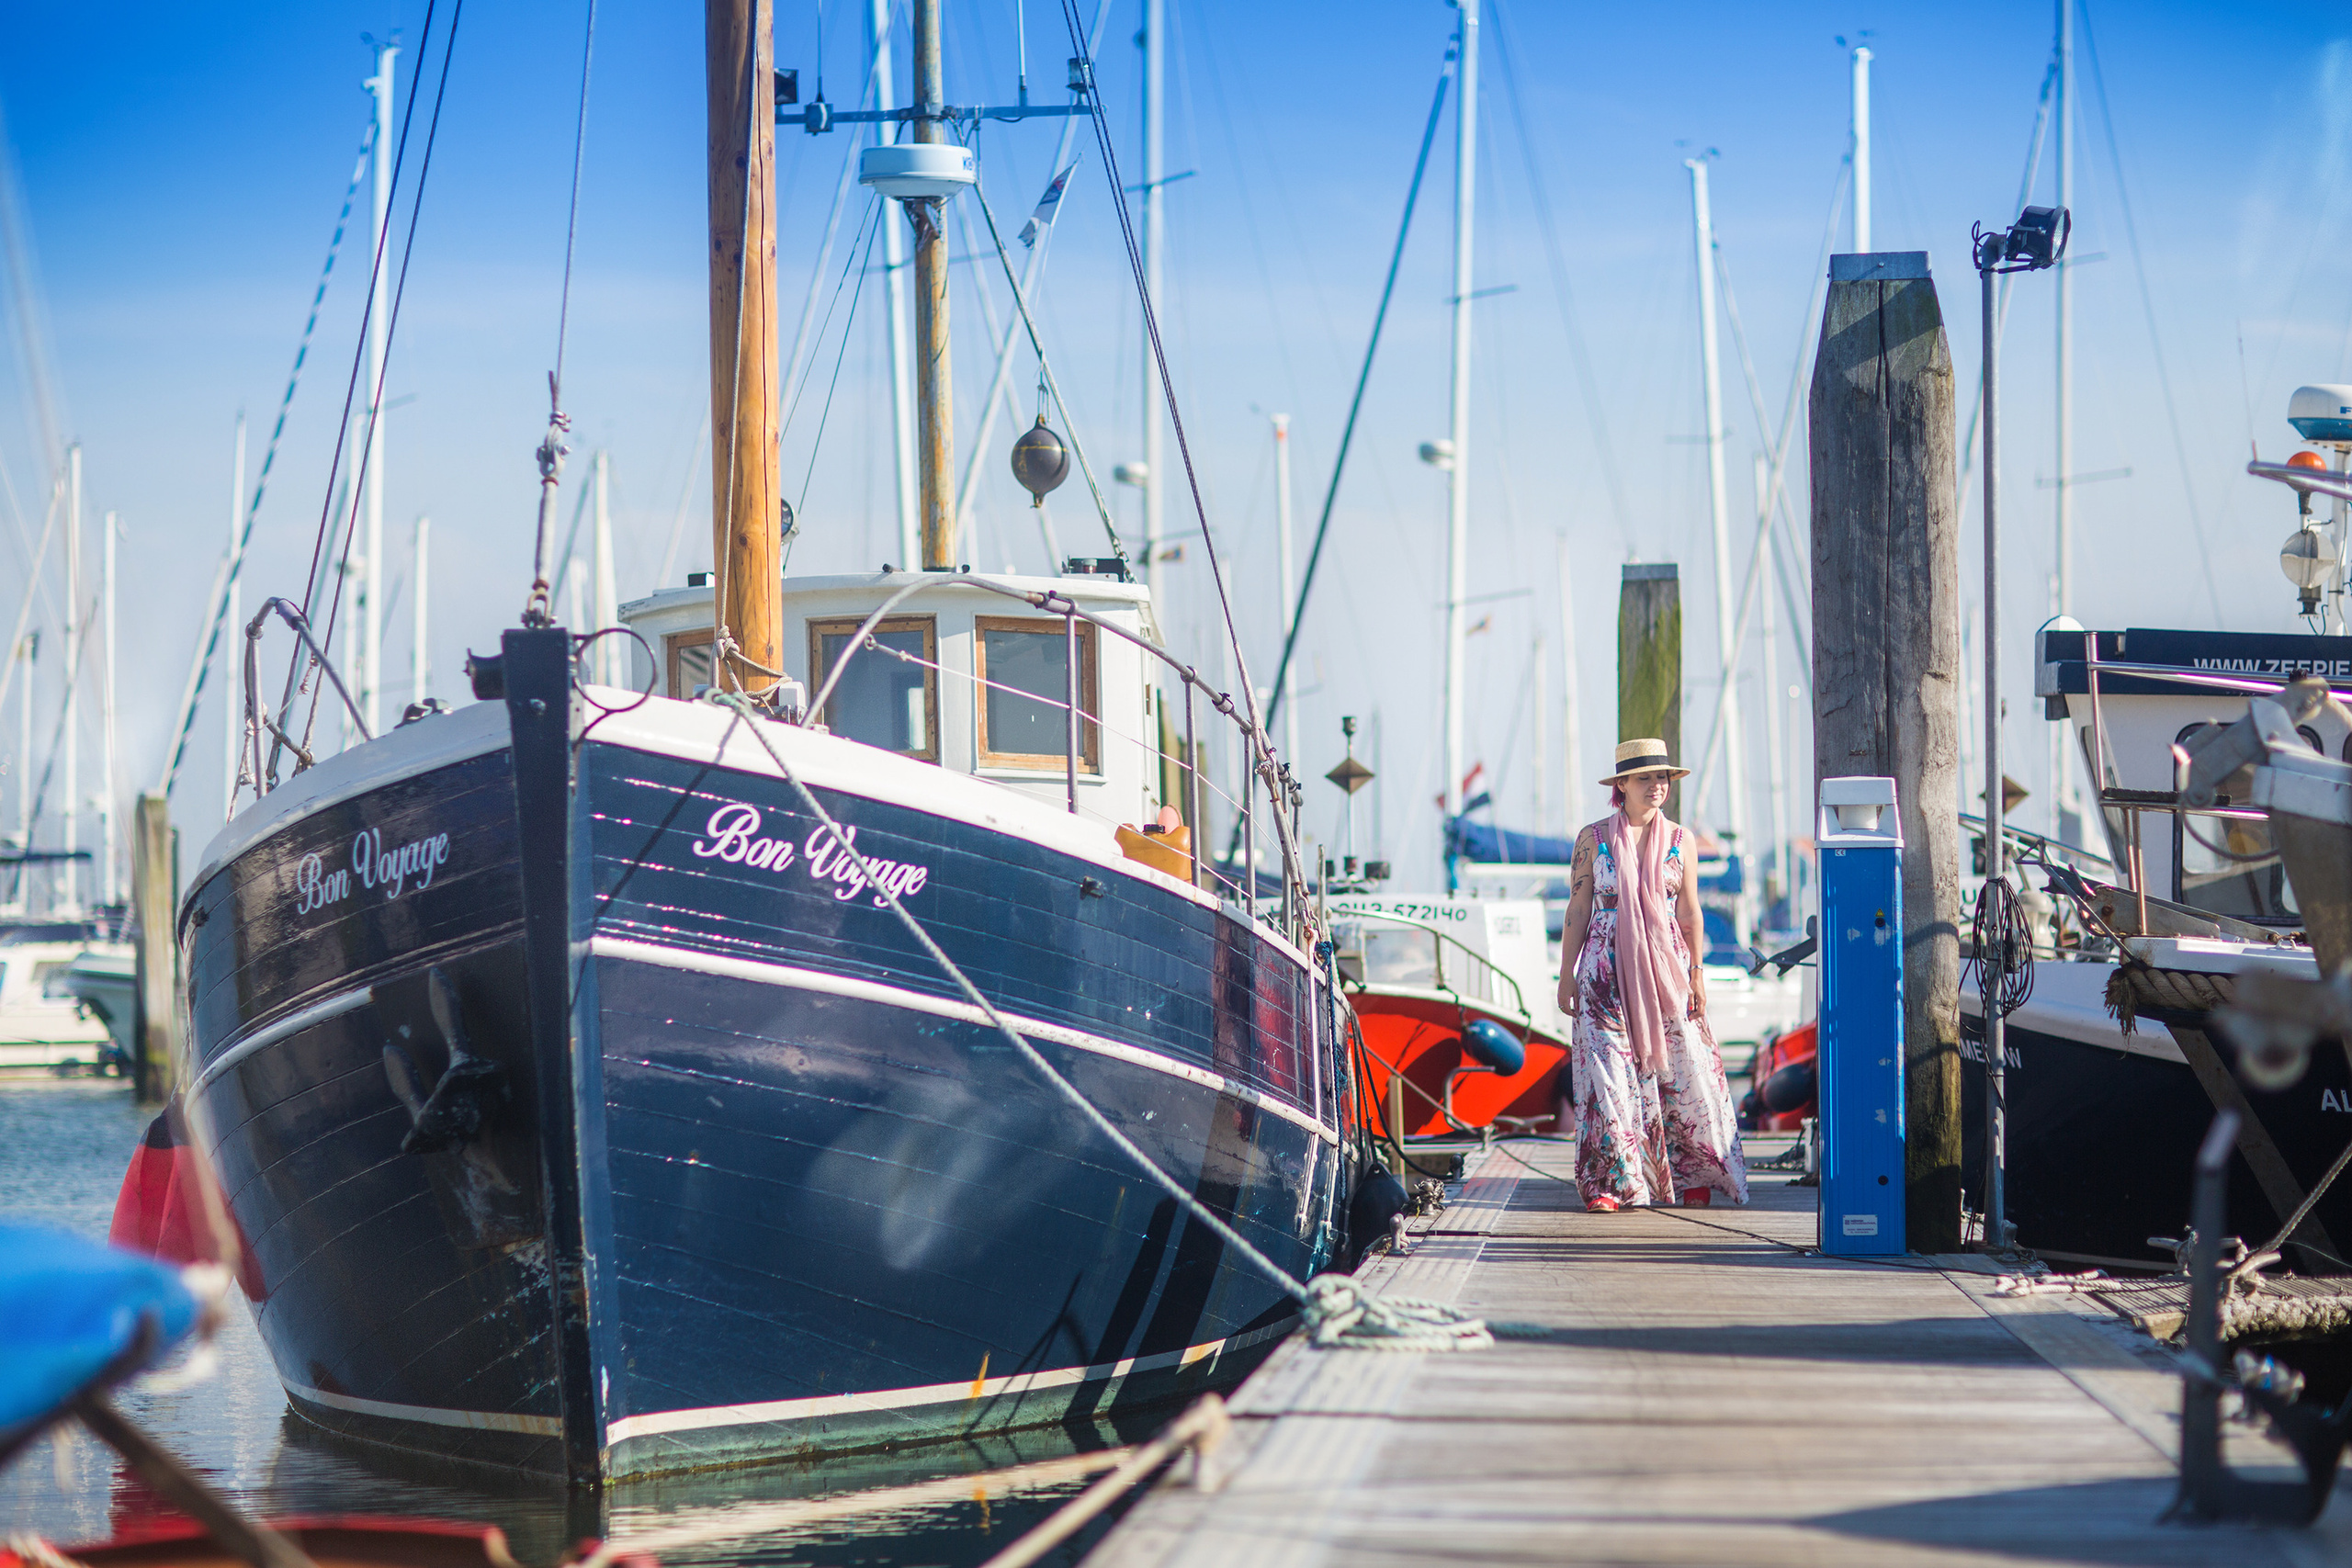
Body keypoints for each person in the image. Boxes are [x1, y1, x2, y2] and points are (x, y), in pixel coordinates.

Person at [1555, 739, 1748, 1212]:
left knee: (1681, 1075)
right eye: (1645, 778)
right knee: (1609, 1077)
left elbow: (1690, 910)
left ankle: (1689, 1178)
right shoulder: (1592, 839)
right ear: (1621, 786)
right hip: (1602, 969)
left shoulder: (1681, 840)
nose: (1657, 786)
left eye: (1662, 778)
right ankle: (1614, 1184)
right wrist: (1566, 973)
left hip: (1668, 971)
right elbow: (1579, 908)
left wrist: (1698, 975)